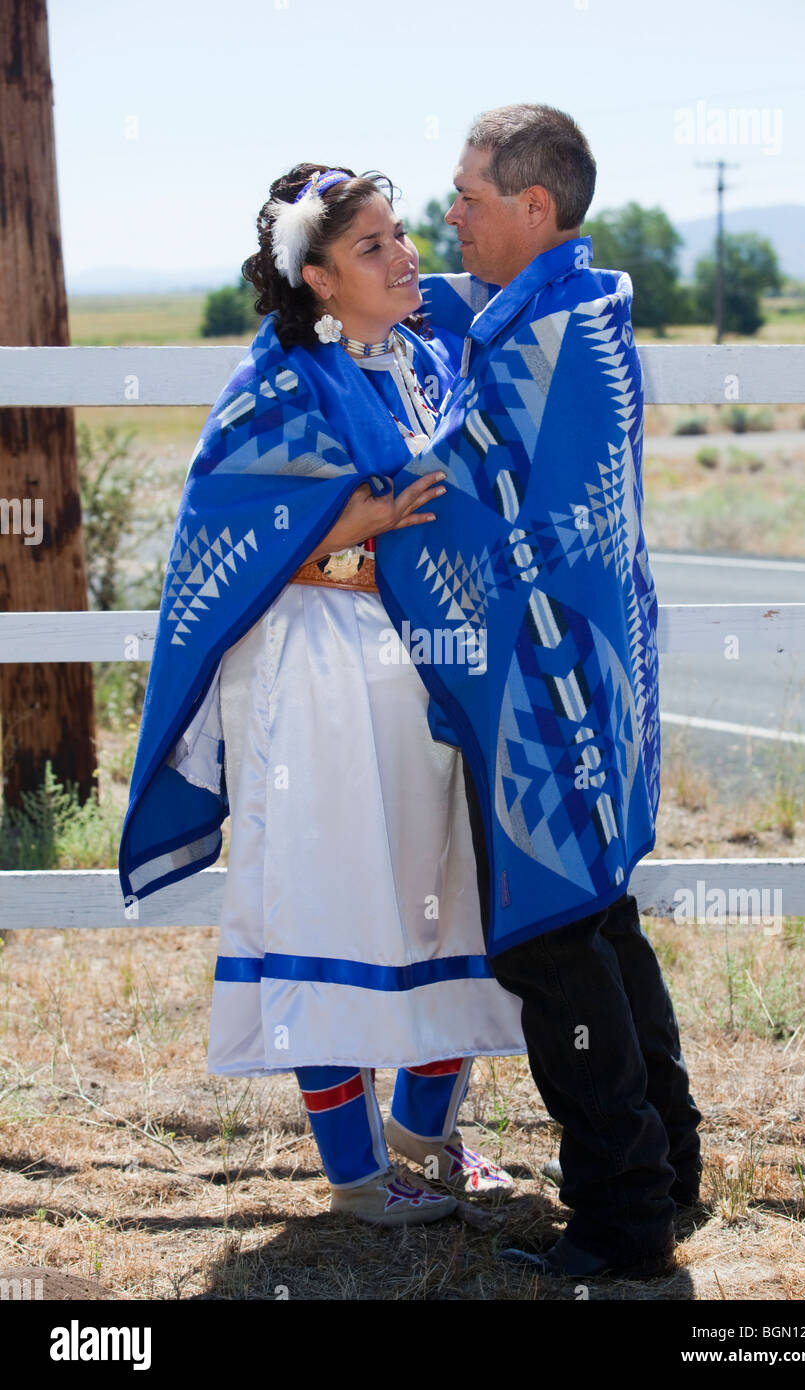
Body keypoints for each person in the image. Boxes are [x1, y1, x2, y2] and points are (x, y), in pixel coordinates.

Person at [118, 163, 525, 1227]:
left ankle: (423, 1139)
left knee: (451, 885)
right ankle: (353, 1174)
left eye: (399, 236)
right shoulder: (280, 384)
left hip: (434, 659)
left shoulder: (428, 360)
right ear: (315, 278)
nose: (406, 259)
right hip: (323, 674)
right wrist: (358, 522)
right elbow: (224, 523)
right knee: (335, 890)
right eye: (375, 247)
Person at [372, 105, 703, 1277]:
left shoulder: (542, 345)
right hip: (595, 688)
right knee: (602, 915)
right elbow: (447, 319)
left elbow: (448, 491)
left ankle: (622, 1226)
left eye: (463, 195)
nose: (442, 215)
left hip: (548, 699)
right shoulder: (571, 308)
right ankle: (671, 1168)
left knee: (552, 946)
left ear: (533, 208)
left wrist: (351, 519)